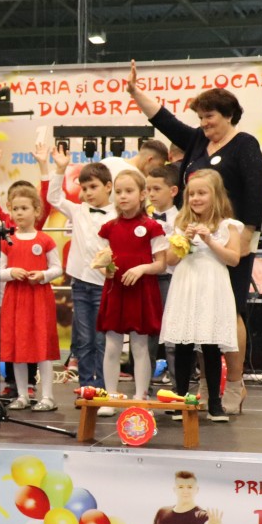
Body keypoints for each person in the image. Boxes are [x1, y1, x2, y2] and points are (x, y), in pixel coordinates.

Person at [127, 60, 262, 414]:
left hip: (231, 238)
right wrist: (134, 92)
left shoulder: (245, 145)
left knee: (229, 310)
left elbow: (256, 194)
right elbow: (163, 119)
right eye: (201, 118)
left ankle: (234, 384)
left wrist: (247, 236)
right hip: (193, 241)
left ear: (229, 115)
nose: (205, 123)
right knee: (199, 312)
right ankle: (207, 385)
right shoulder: (196, 142)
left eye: (210, 117)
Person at [160, 170, 243, 423]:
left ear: (215, 195)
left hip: (212, 286)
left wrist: (209, 240)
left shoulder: (228, 226)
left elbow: (233, 259)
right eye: (192, 194)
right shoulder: (180, 224)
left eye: (202, 193)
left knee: (211, 345)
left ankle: (215, 403)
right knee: (183, 344)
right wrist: (183, 241)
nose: (196, 198)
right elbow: (170, 260)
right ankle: (182, 399)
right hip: (186, 285)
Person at [94, 168, 166, 413]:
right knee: (112, 345)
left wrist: (142, 268)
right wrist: (106, 271)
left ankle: (140, 397)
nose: (123, 196)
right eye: (119, 192)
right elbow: (103, 260)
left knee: (140, 346)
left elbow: (161, 264)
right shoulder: (108, 227)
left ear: (142, 194)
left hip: (141, 291)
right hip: (116, 290)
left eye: (129, 191)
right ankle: (111, 397)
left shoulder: (152, 227)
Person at [47, 154, 115, 390]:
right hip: (79, 284)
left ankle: (103, 387)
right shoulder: (78, 211)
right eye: (84, 188)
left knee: (102, 340)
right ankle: (86, 387)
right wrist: (60, 169)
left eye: (93, 187)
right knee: (84, 340)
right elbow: (53, 197)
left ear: (108, 186)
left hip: (104, 286)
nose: (88, 192)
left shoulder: (118, 215)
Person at [0, 184, 61, 411]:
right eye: (15, 209)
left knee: (42, 347)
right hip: (15, 299)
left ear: (36, 211)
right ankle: (22, 395)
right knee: (18, 348)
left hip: (39, 298)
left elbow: (57, 268)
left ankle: (48, 397)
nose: (19, 213)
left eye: (24, 208)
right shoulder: (6, 240)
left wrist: (43, 275)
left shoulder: (45, 240)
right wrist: (11, 273)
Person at [145, 164, 181, 386]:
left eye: (156, 189)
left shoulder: (182, 220)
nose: (151, 194)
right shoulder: (143, 219)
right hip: (147, 280)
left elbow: (176, 256)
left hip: (173, 280)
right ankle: (143, 387)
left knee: (173, 336)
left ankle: (179, 388)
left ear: (173, 191)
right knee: (146, 336)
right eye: (148, 189)